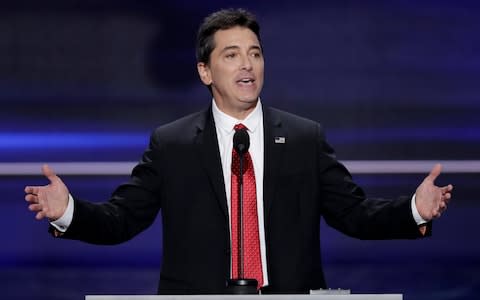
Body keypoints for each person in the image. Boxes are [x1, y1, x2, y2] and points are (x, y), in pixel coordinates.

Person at [24, 8, 453, 295]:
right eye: (232, 55)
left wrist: (414, 208)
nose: (247, 65)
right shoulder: (172, 144)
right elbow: (122, 219)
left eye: (255, 54)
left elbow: (355, 214)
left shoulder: (304, 138)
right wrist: (69, 211)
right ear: (205, 71)